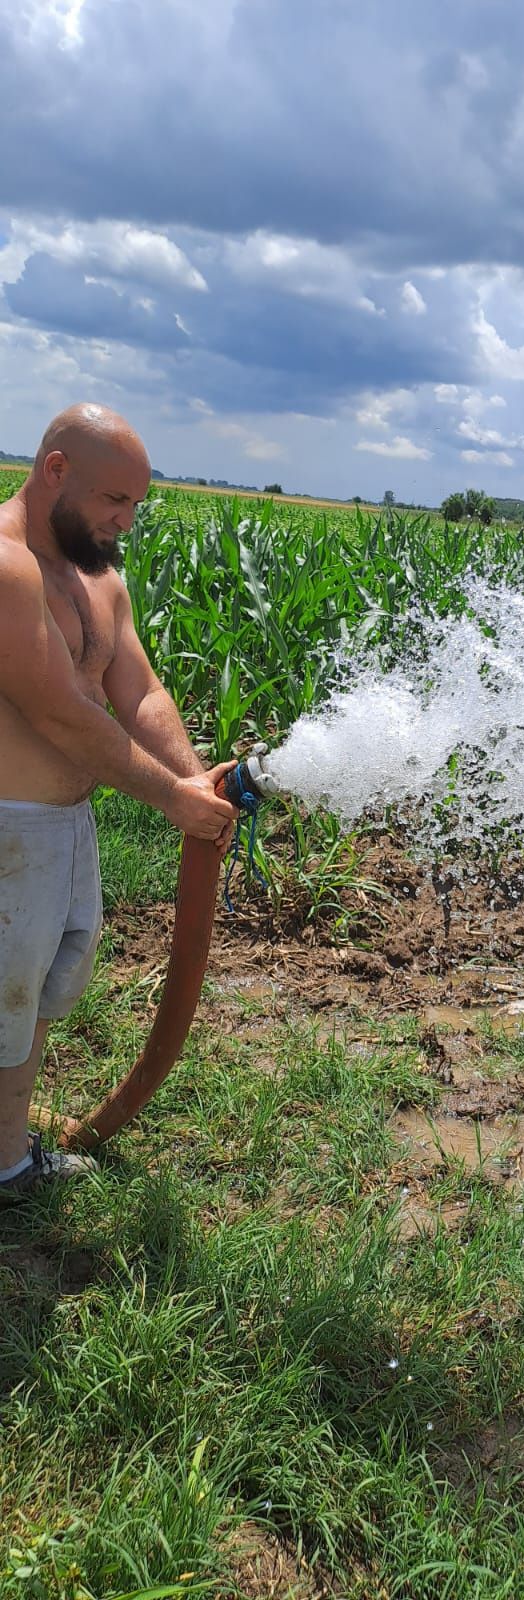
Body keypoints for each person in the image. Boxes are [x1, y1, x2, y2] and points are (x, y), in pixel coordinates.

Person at [0, 402, 238, 1196]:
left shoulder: (101, 581)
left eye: (136, 504)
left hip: (66, 832)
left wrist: (195, 778)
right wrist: (171, 798)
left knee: (32, 1001)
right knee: (4, 1004)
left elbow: (139, 695)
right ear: (56, 471)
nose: (125, 522)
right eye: (113, 501)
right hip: (8, 832)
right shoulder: (5, 566)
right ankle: (7, 1169)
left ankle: (7, 1149)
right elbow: (57, 709)